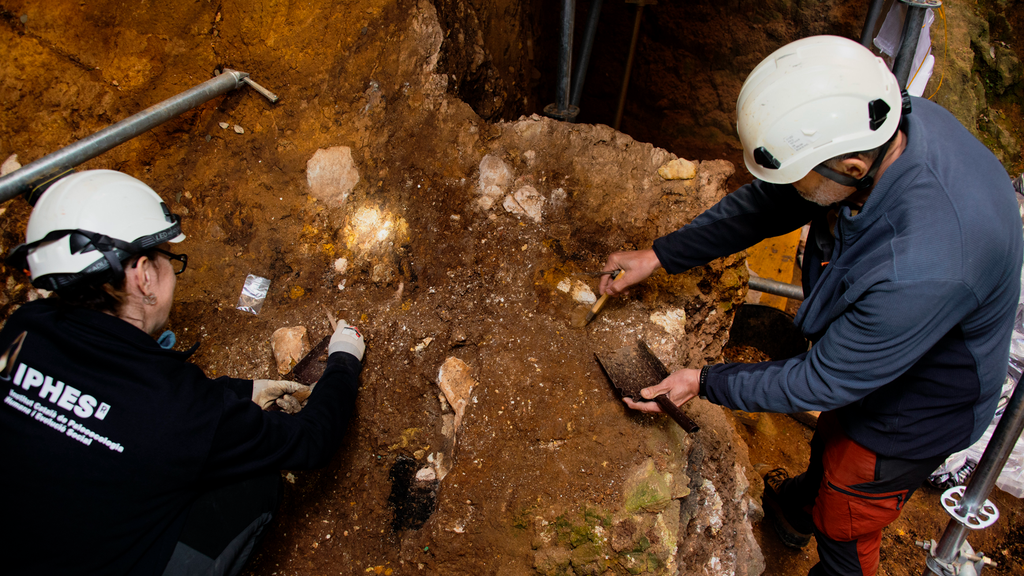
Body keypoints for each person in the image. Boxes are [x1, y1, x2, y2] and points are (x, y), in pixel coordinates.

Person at [599, 36, 1023, 576]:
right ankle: (799, 507)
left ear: (848, 166)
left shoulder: (921, 265)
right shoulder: (887, 128)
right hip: (888, 342)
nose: (786, 188)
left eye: (797, 174)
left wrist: (702, 381)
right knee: (832, 444)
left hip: (919, 405)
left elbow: (822, 382)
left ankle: (831, 545)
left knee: (849, 509)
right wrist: (660, 255)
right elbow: (773, 202)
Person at [0, 169, 366, 575]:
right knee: (256, 483)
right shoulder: (174, 410)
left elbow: (121, 404)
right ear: (142, 277)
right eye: (167, 259)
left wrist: (243, 391)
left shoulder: (21, 330)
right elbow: (312, 441)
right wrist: (345, 359)